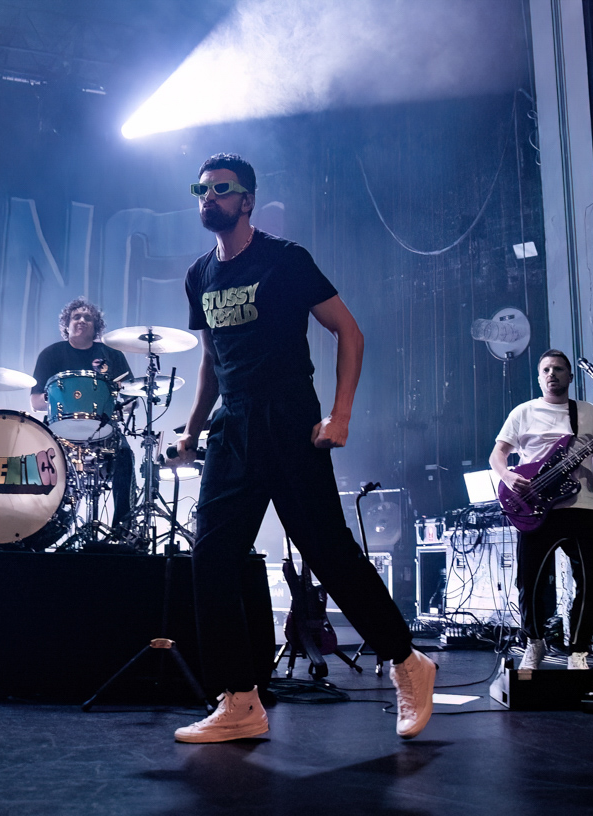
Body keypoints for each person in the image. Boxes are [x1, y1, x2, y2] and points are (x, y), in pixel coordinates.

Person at [172, 153, 435, 743]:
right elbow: (211, 360)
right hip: (232, 428)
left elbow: (349, 331)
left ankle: (406, 661)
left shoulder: (285, 259)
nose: (208, 197)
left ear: (246, 200)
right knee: (211, 561)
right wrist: (192, 428)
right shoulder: (199, 275)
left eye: (221, 189)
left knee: (328, 551)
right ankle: (240, 701)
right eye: (201, 190)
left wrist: (340, 415)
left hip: (289, 420)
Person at [489, 350, 593, 670]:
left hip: (581, 506)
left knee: (591, 580)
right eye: (546, 369)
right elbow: (497, 455)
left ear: (570, 376)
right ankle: (534, 643)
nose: (552, 374)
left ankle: (579, 651)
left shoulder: (587, 412)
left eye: (558, 369)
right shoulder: (523, 412)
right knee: (529, 581)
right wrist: (508, 476)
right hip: (534, 507)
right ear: (539, 378)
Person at [30, 297, 135, 530]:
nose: (81, 320)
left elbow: (131, 397)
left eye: (88, 317)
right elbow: (35, 402)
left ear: (96, 326)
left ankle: (123, 528)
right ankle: (44, 528)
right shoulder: (50, 354)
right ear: (66, 324)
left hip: (103, 430)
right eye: (76, 317)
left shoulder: (112, 354)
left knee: (125, 455)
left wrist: (124, 402)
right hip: (60, 432)